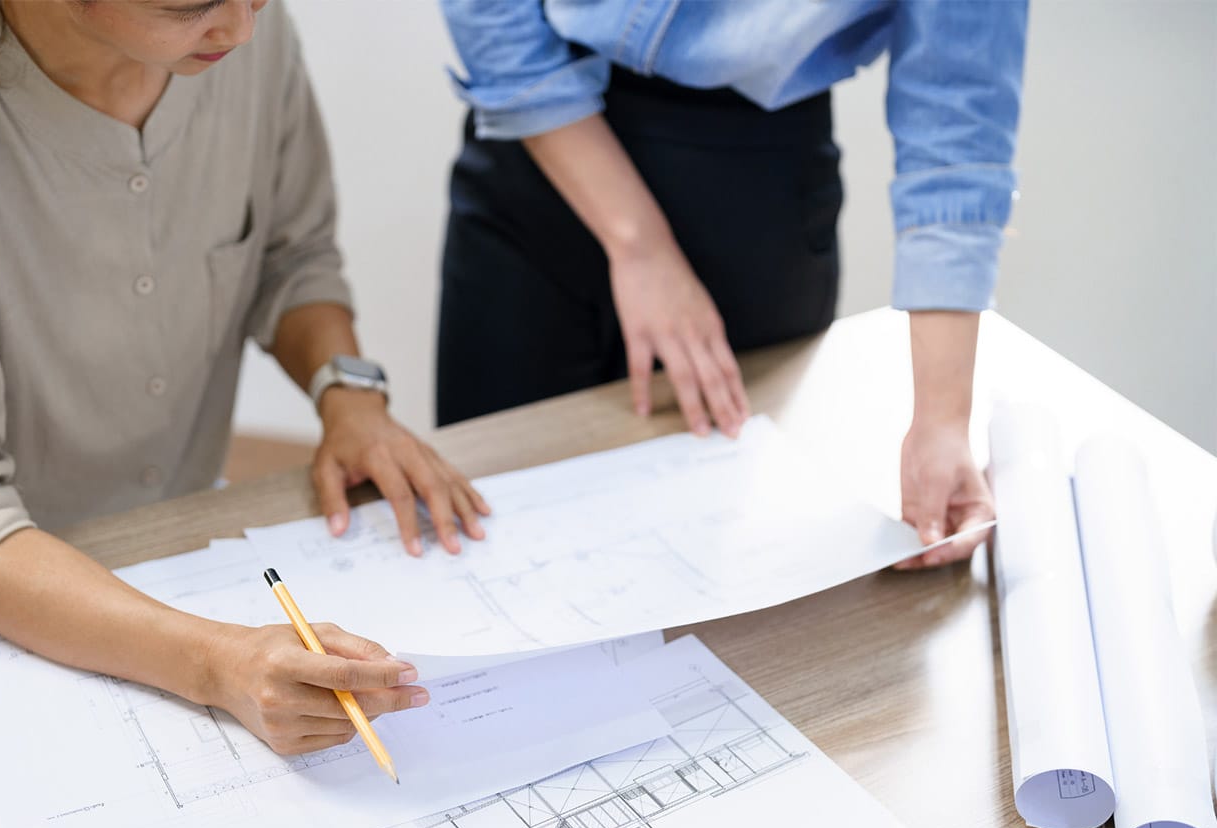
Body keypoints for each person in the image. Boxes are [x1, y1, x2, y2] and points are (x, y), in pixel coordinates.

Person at [0, 0, 492, 755]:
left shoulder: (242, 31)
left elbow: (293, 256)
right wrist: (218, 663)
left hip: (151, 539)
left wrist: (349, 397)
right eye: (188, 6)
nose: (244, 28)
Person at [435, 0, 1027, 569]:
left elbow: (959, 112)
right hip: (537, 142)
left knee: (716, 566)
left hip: (757, 188)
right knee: (488, 527)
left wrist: (943, 420)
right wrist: (638, 243)